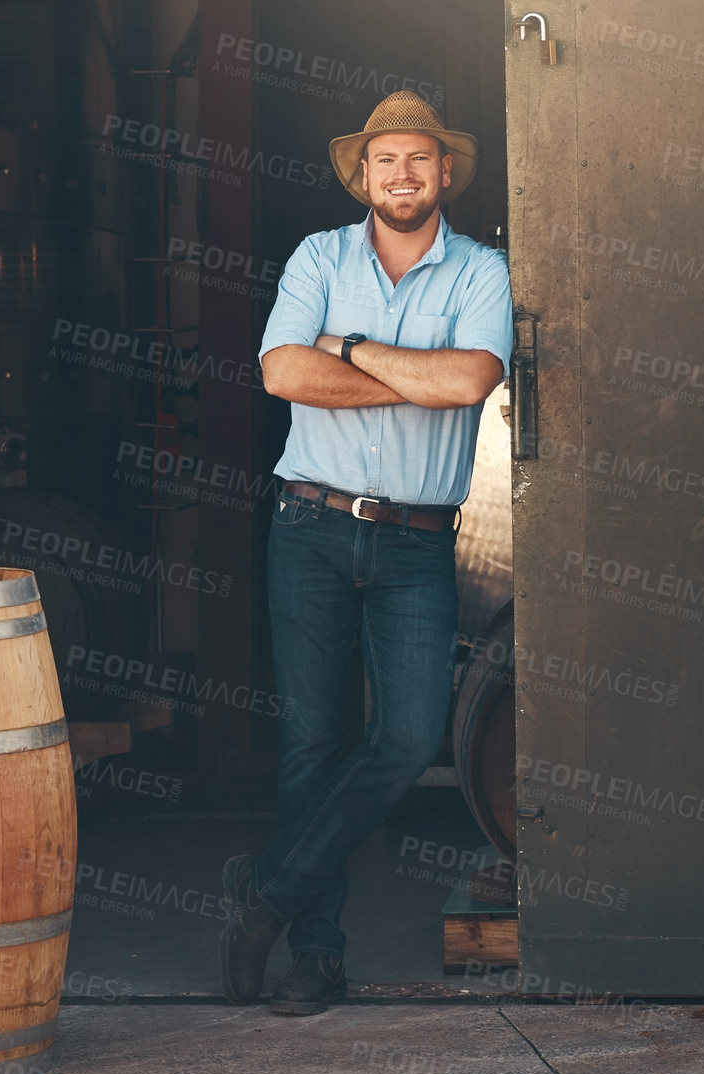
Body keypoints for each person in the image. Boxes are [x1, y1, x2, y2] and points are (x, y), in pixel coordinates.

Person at [218, 91, 514, 1014]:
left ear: (446, 172)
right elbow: (280, 371)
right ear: (363, 175)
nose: (403, 174)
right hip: (309, 528)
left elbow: (471, 378)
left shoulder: (481, 271)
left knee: (408, 737)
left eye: (419, 159)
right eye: (386, 160)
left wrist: (348, 347)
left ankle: (264, 892)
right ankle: (319, 959)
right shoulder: (318, 257)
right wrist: (403, 377)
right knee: (313, 743)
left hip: (418, 544)